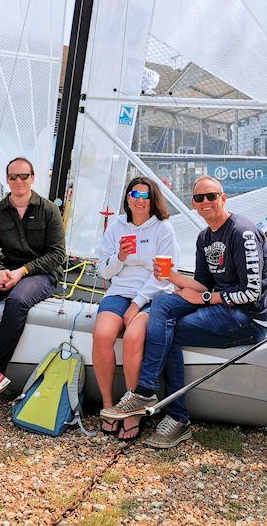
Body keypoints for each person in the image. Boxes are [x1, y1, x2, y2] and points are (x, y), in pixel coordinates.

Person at [101, 176, 267, 449]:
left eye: (211, 196)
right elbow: (202, 283)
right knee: (162, 304)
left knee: (168, 331)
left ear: (223, 198)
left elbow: (252, 293)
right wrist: (171, 278)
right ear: (193, 204)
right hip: (219, 304)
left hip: (247, 318)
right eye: (199, 198)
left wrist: (206, 298)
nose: (205, 202)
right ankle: (147, 393)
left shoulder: (242, 233)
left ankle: (170, 411)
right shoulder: (205, 237)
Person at [0, 157, 65, 408]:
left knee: (17, 300)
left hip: (40, 273)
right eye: (13, 177)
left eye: (23, 176)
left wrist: (23, 271)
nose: (18, 181)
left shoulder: (49, 209)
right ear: (7, 179)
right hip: (5, 268)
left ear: (32, 178)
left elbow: (57, 254)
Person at [93, 177, 178, 441]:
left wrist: (137, 303)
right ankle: (108, 405)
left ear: (153, 200)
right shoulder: (116, 227)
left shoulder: (163, 229)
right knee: (102, 335)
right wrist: (119, 257)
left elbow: (163, 275)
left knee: (132, 338)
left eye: (145, 196)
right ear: (128, 198)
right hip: (120, 291)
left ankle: (132, 411)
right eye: (135, 195)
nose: (139, 201)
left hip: (152, 294)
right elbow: (103, 269)